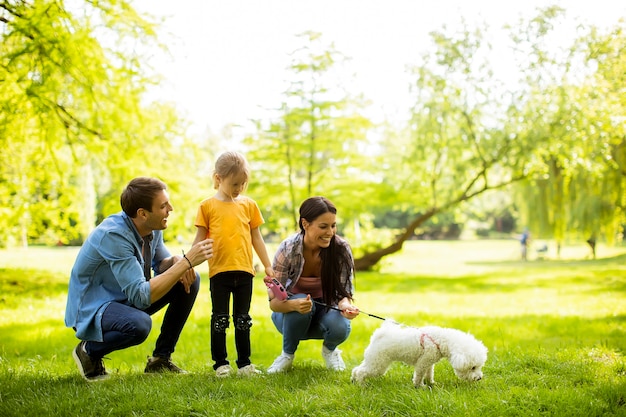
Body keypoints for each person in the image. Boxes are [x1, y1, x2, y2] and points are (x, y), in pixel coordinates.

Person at [65, 177, 214, 381]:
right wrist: (186, 261)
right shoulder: (113, 235)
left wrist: (178, 261)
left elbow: (161, 264)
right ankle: (89, 350)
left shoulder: (151, 227)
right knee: (139, 325)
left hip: (125, 296)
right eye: (163, 206)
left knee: (189, 279)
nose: (170, 208)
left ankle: (160, 360)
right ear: (143, 214)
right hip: (94, 306)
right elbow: (141, 297)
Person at [192, 151, 274, 377]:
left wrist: (267, 265)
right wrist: (187, 265)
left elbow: (256, 237)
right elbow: (199, 239)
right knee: (220, 318)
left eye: (243, 184)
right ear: (218, 178)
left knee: (243, 319)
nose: (239, 188)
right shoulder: (207, 206)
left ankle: (245, 364)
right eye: (234, 183)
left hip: (245, 272)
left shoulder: (249, 205)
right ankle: (221, 364)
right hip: (219, 271)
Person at [266, 196, 360, 374]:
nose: (330, 232)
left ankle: (330, 351)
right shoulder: (288, 249)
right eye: (323, 226)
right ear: (305, 224)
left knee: (340, 325)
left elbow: (343, 294)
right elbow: (273, 303)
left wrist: (346, 306)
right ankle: (287, 355)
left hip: (325, 314)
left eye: (333, 225)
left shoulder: (341, 249)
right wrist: (294, 304)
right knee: (301, 300)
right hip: (290, 319)